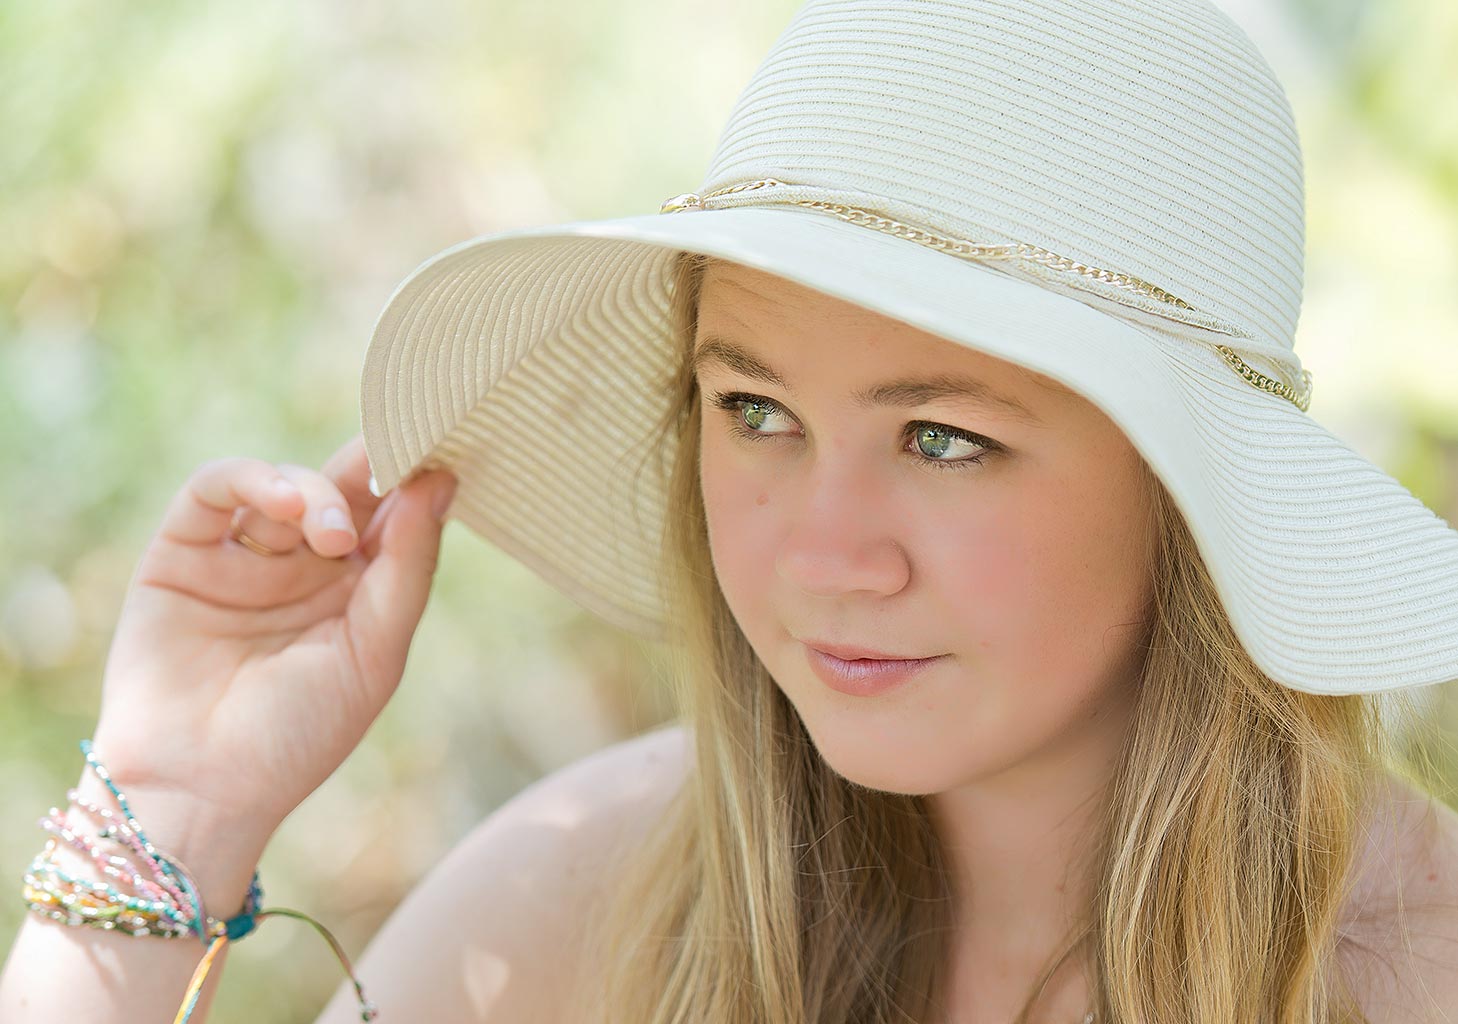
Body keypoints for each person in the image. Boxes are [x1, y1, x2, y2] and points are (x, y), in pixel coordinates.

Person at [4, 1, 1458, 1023]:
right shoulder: (600, 889)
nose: (821, 556)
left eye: (943, 438)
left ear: (1187, 487)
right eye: (753, 411)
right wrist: (179, 809)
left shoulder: (1418, 965)